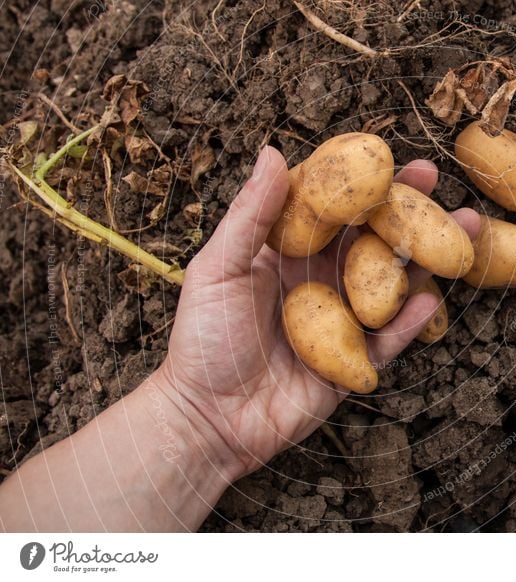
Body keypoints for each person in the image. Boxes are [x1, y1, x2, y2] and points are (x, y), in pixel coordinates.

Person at [0, 146, 480, 532]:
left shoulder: (354, 218)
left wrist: (194, 419)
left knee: (433, 259)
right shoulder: (309, 240)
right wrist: (195, 413)